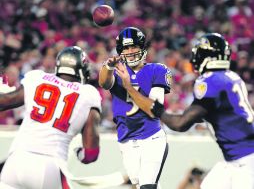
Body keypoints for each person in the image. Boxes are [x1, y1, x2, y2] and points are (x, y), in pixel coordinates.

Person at [116, 32, 254, 189]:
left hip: (245, 160)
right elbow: (212, 114)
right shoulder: (231, 77)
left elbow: (181, 124)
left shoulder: (211, 80)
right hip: (235, 159)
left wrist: (157, 110)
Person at [0, 46, 102, 189]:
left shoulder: (36, 77)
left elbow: (4, 102)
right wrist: (80, 154)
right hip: (49, 166)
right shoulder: (88, 94)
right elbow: (90, 154)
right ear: (82, 69)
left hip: (15, 161)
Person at [98, 26, 171, 189]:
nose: (130, 51)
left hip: (151, 137)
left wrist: (129, 87)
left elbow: (155, 110)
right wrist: (108, 67)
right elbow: (103, 82)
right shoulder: (117, 71)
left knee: (147, 186)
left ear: (142, 47)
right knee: (140, 186)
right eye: (126, 47)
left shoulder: (157, 70)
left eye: (134, 46)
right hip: (126, 139)